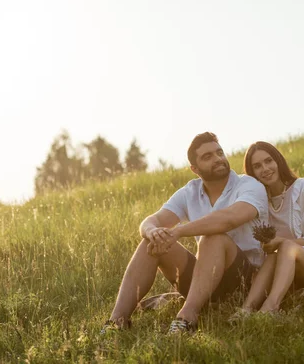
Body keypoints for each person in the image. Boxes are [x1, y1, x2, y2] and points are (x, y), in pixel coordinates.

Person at [102, 132, 269, 334]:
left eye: (219, 152)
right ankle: (116, 322)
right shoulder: (190, 192)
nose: (217, 158)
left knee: (213, 236)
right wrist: (153, 231)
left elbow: (229, 219)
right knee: (151, 243)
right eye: (207, 157)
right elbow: (151, 220)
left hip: (244, 281)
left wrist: (179, 231)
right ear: (195, 169)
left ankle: (186, 318)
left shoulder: (249, 185)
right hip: (203, 279)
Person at [233, 141, 304, 317]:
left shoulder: (301, 188)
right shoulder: (260, 201)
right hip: (282, 268)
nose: (265, 168)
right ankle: (246, 310)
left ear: (278, 161)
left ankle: (271, 307)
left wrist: (281, 242)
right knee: (274, 254)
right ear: (252, 173)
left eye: (268, 161)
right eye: (257, 166)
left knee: (285, 247)